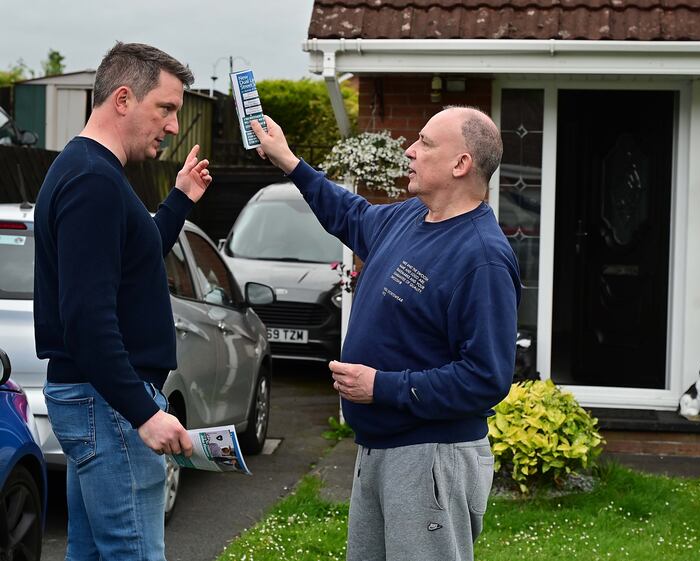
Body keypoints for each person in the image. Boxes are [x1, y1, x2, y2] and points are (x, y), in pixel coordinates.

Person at [251, 106, 521, 561]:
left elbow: (485, 378)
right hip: (378, 450)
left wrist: (382, 387)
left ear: (461, 165)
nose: (410, 151)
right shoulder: (409, 219)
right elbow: (349, 213)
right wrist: (289, 161)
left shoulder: (483, 258)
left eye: (425, 144)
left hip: (431, 458)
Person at [34, 42, 212, 561]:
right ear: (123, 98)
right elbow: (87, 319)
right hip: (109, 404)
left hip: (98, 401)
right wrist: (142, 411)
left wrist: (178, 200)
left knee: (91, 554)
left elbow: (135, 257)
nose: (174, 126)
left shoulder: (90, 172)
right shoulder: (93, 181)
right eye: (167, 108)